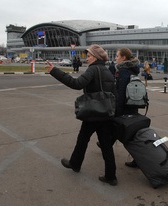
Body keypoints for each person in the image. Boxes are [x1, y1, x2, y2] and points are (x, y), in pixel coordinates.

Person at [45, 44, 118, 186]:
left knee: (83, 139)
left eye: (89, 55)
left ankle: (75, 164)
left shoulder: (93, 69)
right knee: (105, 145)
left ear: (95, 57)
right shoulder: (108, 71)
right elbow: (114, 94)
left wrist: (54, 71)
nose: (87, 58)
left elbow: (76, 83)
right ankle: (111, 176)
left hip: (93, 112)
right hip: (106, 113)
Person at [98, 48, 140, 168]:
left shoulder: (123, 71)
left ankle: (138, 157)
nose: (115, 58)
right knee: (122, 131)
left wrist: (117, 110)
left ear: (123, 58)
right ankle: (105, 144)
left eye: (117, 56)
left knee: (126, 134)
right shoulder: (133, 70)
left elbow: (121, 93)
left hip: (124, 108)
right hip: (133, 105)